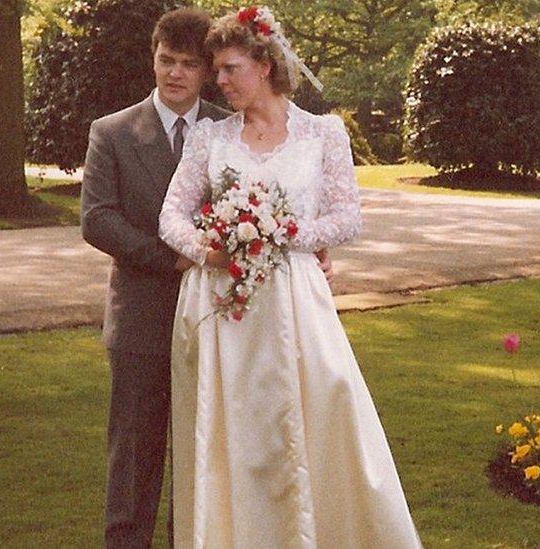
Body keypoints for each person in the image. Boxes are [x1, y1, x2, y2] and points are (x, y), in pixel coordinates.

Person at [158, 6, 423, 548]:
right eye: (218, 70)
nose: (221, 81)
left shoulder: (323, 134)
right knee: (235, 435)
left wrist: (275, 232)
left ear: (265, 63)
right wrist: (210, 250)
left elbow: (346, 218)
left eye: (231, 68)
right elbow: (171, 216)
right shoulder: (210, 137)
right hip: (222, 304)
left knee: (322, 415)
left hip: (297, 304)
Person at [79, 8, 230, 548]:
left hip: (214, 321)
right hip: (140, 320)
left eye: (189, 64)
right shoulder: (112, 132)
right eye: (167, 60)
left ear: (205, 71)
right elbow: (96, 219)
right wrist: (173, 257)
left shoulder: (226, 130)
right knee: (134, 458)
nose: (175, 74)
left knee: (200, 457)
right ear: (154, 56)